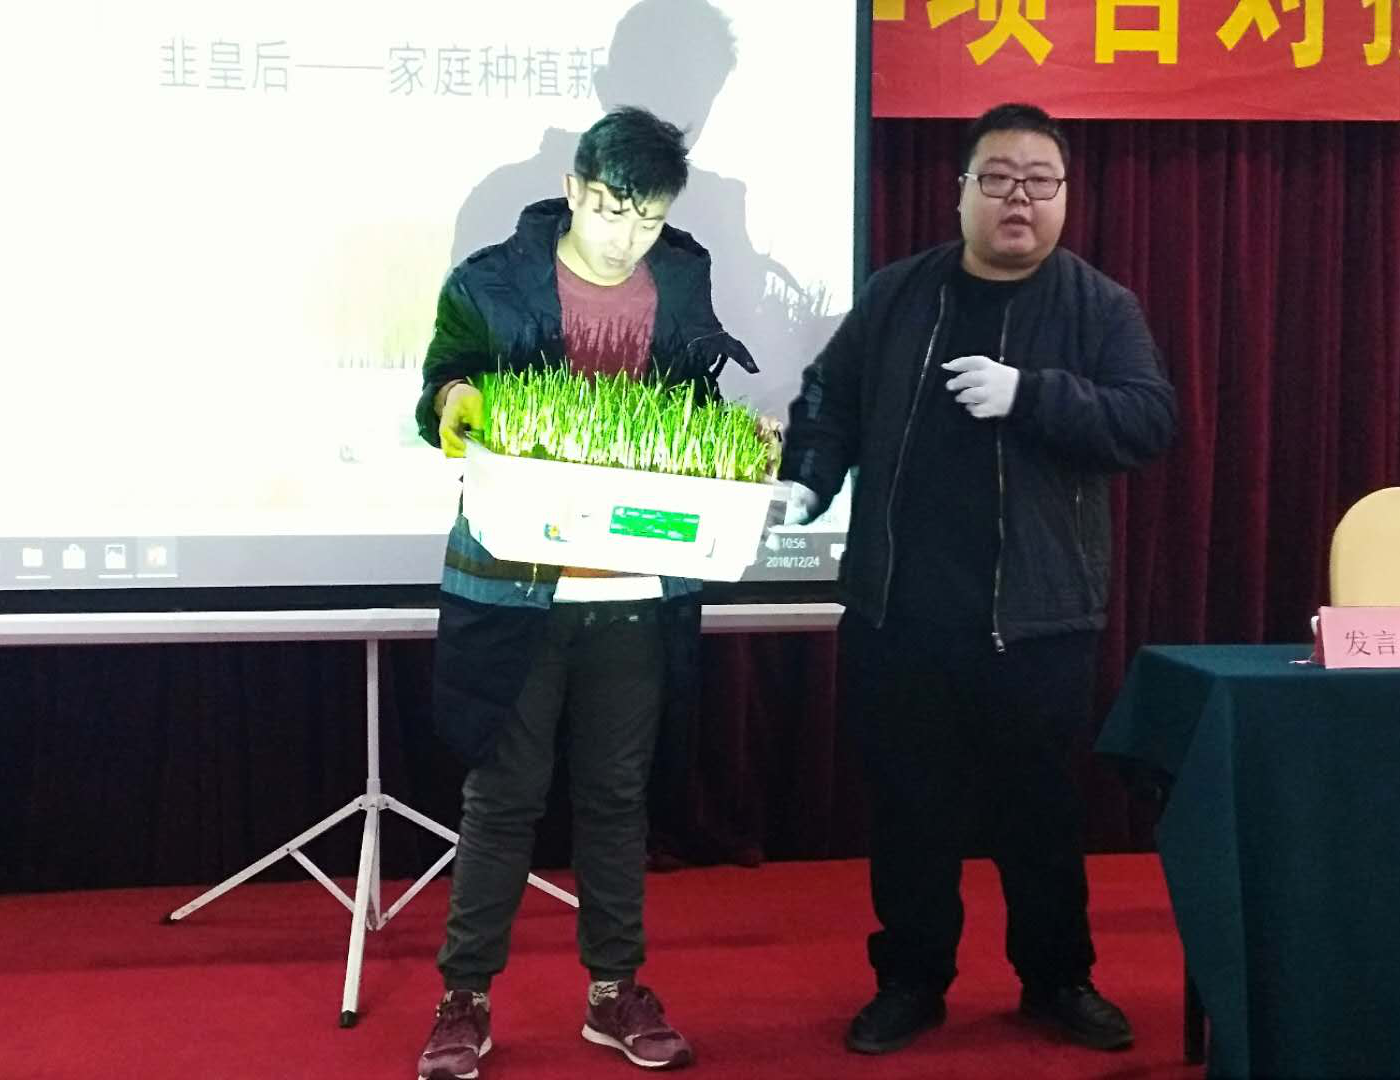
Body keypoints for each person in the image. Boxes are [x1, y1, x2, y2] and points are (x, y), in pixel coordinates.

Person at [777, 102, 1176, 1056]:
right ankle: (911, 981)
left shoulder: (1099, 307)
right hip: (899, 613)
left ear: (1065, 196)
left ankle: (1056, 979)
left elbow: (1146, 420)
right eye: (996, 178)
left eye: (1039, 181)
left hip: (1036, 622)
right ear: (960, 192)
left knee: (1040, 815)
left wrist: (1032, 394)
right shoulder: (896, 295)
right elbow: (829, 402)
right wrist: (807, 478)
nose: (1017, 199)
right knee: (908, 813)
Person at [412, 105, 756, 1079]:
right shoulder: (488, 281)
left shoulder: (681, 278)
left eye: (647, 217)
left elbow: (693, 404)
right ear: (573, 189)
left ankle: (613, 992)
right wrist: (455, 403)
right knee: (502, 798)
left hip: (636, 587)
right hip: (513, 584)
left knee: (615, 796)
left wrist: (732, 444)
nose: (625, 236)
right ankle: (463, 999)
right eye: (609, 209)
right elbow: (440, 388)